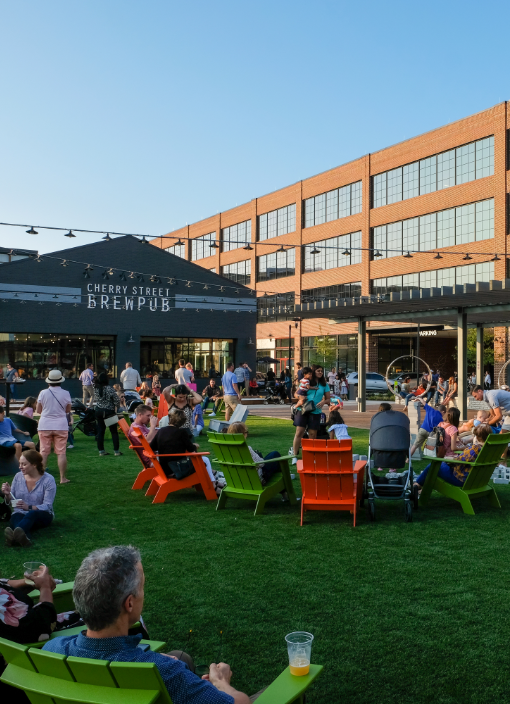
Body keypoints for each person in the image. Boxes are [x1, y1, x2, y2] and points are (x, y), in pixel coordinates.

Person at [43, 546, 251, 704]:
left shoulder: (52, 650)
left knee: (182, 656)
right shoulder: (166, 673)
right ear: (130, 603)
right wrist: (222, 683)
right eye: (142, 587)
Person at [2, 449, 56, 546]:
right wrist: (7, 494)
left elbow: (47, 505)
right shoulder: (18, 477)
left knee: (31, 514)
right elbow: (11, 502)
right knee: (16, 516)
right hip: (20, 512)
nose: (20, 467)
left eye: (24, 464)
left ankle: (13, 538)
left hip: (42, 514)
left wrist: (29, 507)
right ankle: (24, 538)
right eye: (19, 463)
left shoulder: (48, 480)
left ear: (34, 465)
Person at [414, 425, 491, 490]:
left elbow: (456, 461)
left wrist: (447, 459)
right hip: (477, 480)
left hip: (460, 479)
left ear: (476, 437)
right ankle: (420, 486)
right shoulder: (488, 450)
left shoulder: (474, 449)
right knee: (439, 466)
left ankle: (417, 485)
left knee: (434, 465)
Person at [36, 369, 71, 484]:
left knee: (44, 452)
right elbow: (68, 410)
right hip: (61, 425)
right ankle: (62, 478)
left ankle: (39, 478)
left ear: (48, 381)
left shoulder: (42, 393)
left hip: (45, 424)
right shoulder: (66, 393)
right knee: (61, 452)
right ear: (61, 381)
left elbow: (38, 410)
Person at [291, 365, 330, 461]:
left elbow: (328, 399)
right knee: (299, 432)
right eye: (318, 371)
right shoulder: (306, 381)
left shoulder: (324, 385)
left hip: (316, 411)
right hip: (303, 410)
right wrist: (300, 398)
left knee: (313, 434)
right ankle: (294, 455)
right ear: (313, 372)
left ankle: (311, 455)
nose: (320, 372)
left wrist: (323, 402)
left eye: (321, 371)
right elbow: (296, 393)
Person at [228, 422, 284, 486]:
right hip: (256, 479)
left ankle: (283, 490)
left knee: (265, 455)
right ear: (242, 434)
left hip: (238, 480)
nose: (247, 434)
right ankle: (284, 489)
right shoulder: (246, 449)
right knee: (275, 454)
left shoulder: (227, 450)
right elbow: (261, 463)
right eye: (246, 432)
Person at [472, 385, 510, 464]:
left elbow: (499, 416)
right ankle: (502, 464)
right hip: (508, 415)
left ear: (480, 391)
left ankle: (502, 464)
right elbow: (492, 416)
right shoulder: (487, 398)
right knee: (501, 438)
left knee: (502, 438)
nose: (476, 399)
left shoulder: (491, 396)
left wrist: (487, 424)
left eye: (475, 396)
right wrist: (484, 422)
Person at [93, 373, 121, 457]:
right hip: (109, 411)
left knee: (101, 431)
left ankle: (101, 451)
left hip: (99, 410)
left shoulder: (96, 388)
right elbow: (116, 400)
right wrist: (117, 407)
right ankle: (116, 451)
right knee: (114, 432)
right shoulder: (110, 389)